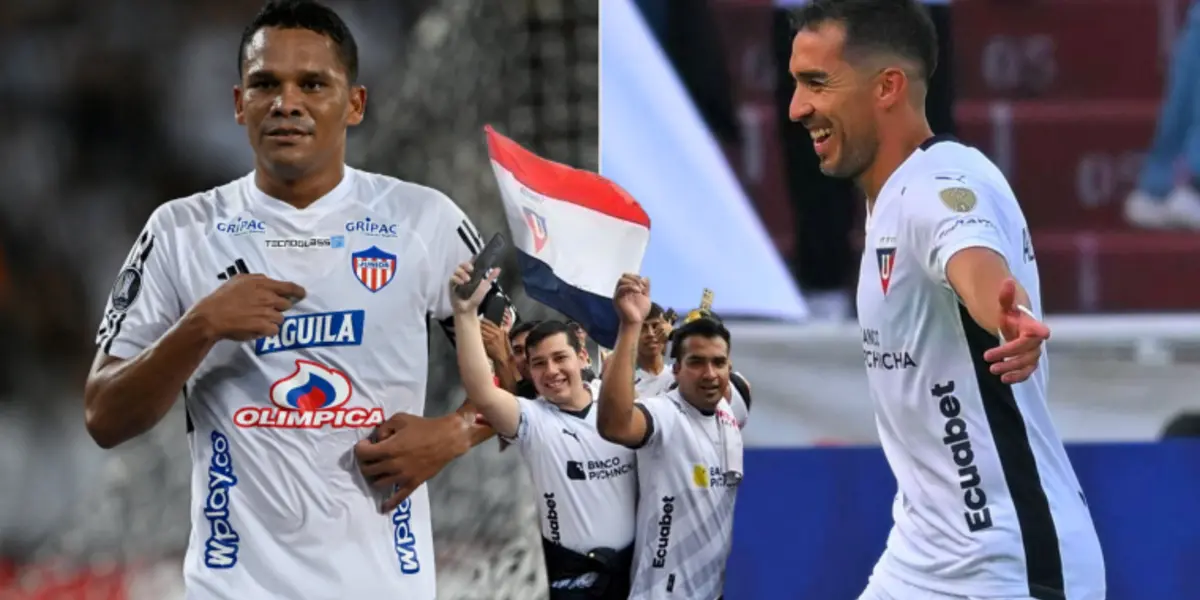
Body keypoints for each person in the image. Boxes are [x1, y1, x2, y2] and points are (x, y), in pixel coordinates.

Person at [84, 1, 506, 598]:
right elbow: (104, 415)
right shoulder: (180, 231)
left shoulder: (423, 221)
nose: (287, 103)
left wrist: (455, 433)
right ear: (239, 104)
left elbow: (528, 362)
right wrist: (201, 326)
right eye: (266, 84)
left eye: (313, 84)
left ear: (354, 103)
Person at [786, 1, 1105, 599]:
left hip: (1009, 567)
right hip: (922, 557)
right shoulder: (892, 195)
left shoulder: (942, 184)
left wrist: (1005, 316)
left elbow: (971, 256)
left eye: (817, 83)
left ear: (888, 87)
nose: (797, 108)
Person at [449, 264, 638, 599]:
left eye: (560, 358)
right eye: (538, 363)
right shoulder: (532, 419)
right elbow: (482, 392)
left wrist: (631, 323)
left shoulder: (620, 403)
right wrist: (464, 313)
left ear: (582, 356)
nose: (551, 371)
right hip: (573, 585)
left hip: (637, 577)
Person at [597, 274, 743, 600]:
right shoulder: (666, 413)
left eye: (718, 363)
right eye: (696, 363)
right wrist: (631, 325)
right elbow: (615, 425)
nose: (709, 373)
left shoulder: (729, 411)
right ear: (676, 370)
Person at [632, 303, 673, 396]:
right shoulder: (625, 383)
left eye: (655, 326)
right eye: (642, 328)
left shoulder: (680, 375)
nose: (650, 333)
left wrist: (674, 335)